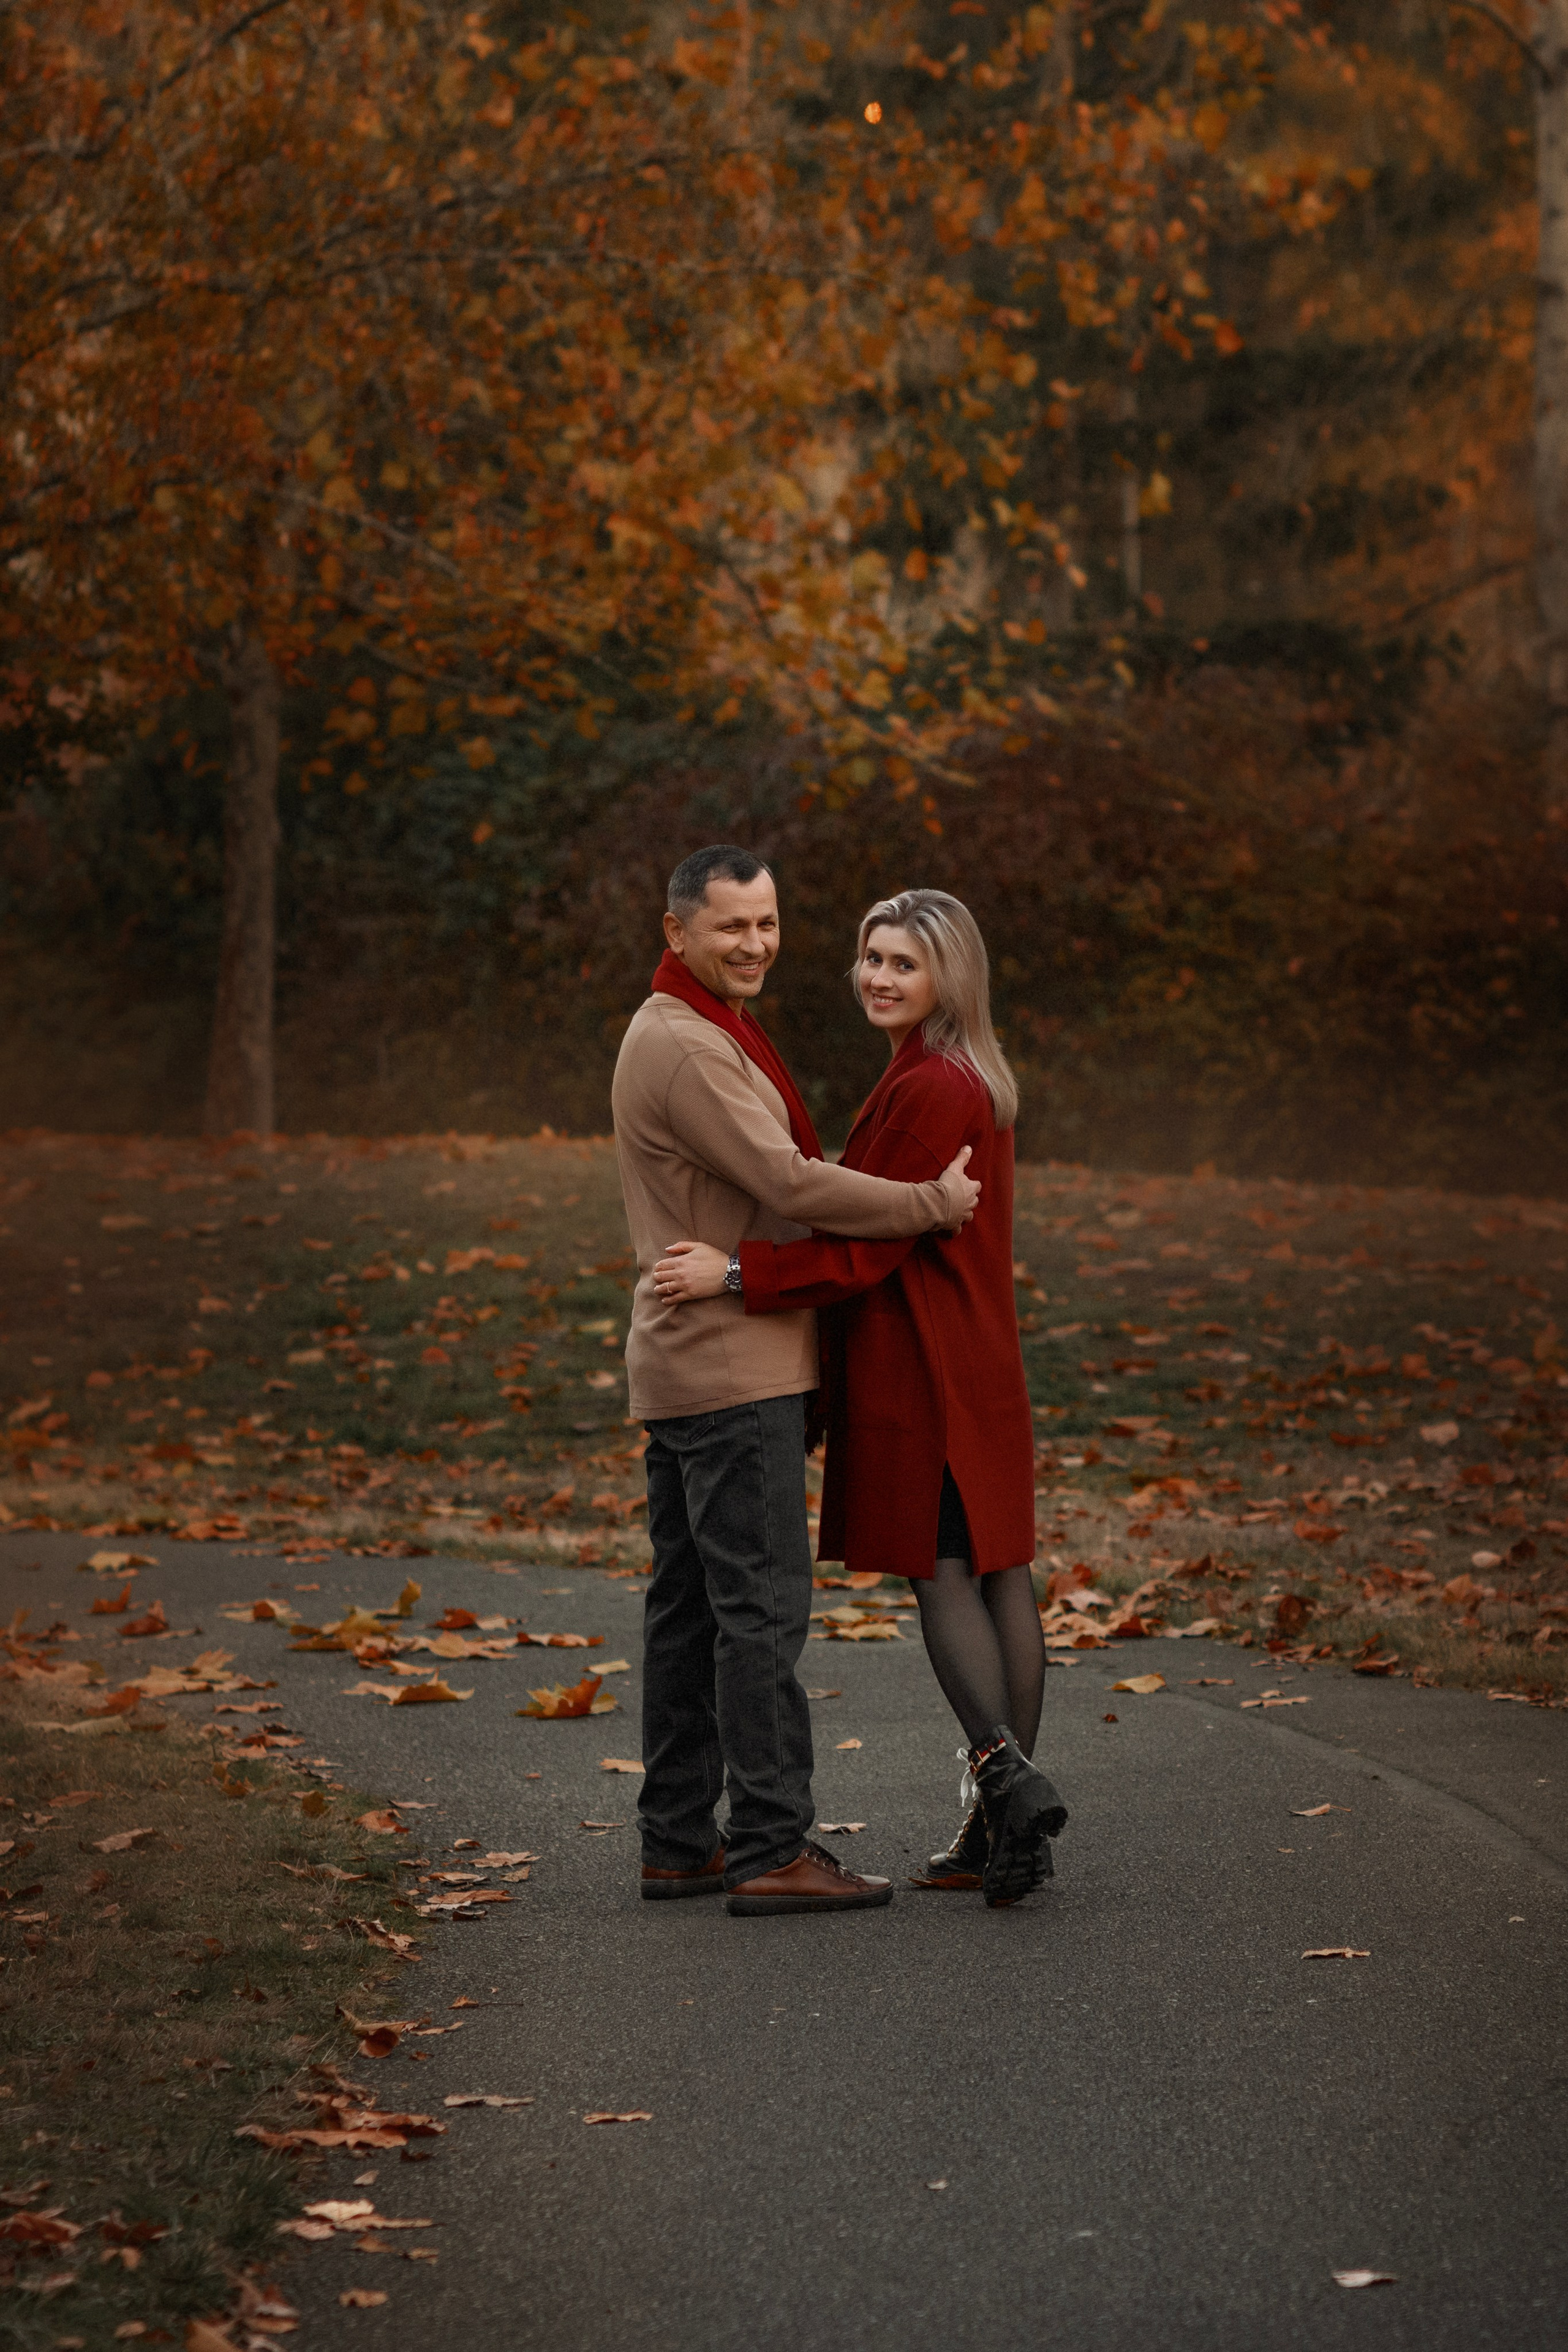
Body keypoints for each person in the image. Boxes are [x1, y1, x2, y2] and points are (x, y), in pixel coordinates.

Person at [654, 888, 1066, 1907]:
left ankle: (1004, 1781)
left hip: (926, 1360)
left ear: (947, 978)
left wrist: (739, 1276)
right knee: (998, 1571)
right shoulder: (955, 1073)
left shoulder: (933, 1086)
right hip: (976, 1356)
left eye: (904, 964)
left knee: (946, 1573)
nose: (879, 977)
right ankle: (1002, 1826)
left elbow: (863, 1249)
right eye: (870, 957)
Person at [612, 846, 982, 1918]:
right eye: (732, 927)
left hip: (698, 1359)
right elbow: (786, 1180)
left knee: (689, 1612)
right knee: (759, 1614)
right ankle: (771, 1845)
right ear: (677, 931)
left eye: (769, 923)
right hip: (732, 1367)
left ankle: (678, 1841)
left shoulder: (696, 1027)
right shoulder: (686, 1044)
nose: (756, 944)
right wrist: (926, 1205)